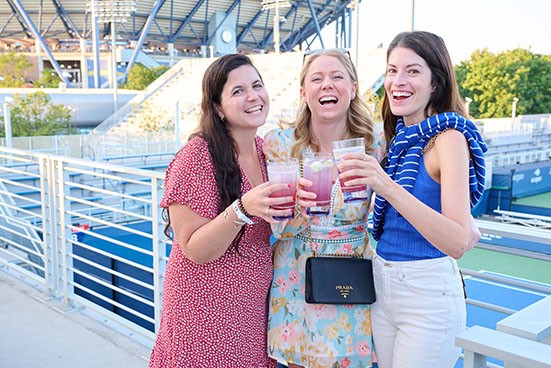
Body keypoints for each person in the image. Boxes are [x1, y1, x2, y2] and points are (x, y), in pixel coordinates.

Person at [338, 31, 488, 367]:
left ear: (436, 82)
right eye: (392, 70)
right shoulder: (399, 141)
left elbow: (458, 242)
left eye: (413, 71)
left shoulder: (448, 139)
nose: (397, 81)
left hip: (427, 294)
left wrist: (387, 185)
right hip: (383, 282)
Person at [149, 54, 291, 368]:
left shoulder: (265, 150)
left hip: (252, 312)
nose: (253, 96)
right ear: (217, 107)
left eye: (257, 85)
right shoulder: (197, 156)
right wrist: (241, 209)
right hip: (203, 312)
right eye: (238, 91)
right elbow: (195, 249)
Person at [264, 48, 385, 368]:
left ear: (353, 88)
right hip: (296, 272)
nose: (327, 84)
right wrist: (298, 210)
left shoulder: (375, 143)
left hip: (351, 273)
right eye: (316, 78)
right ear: (304, 92)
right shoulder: (279, 143)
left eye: (337, 77)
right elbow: (276, 226)